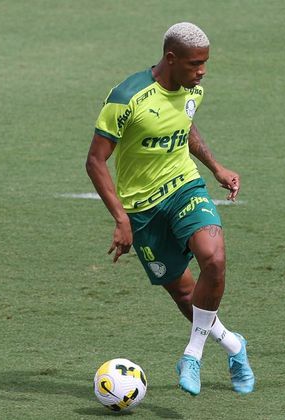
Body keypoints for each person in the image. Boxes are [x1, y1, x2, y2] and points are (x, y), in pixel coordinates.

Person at [85, 22, 255, 396]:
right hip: (143, 209)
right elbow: (96, 161)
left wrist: (216, 168)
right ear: (171, 58)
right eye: (195, 64)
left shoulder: (193, 89)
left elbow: (186, 125)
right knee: (184, 293)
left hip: (184, 187)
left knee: (214, 258)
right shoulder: (127, 97)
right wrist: (121, 219)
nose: (202, 71)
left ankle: (191, 354)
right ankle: (233, 344)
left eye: (205, 63)